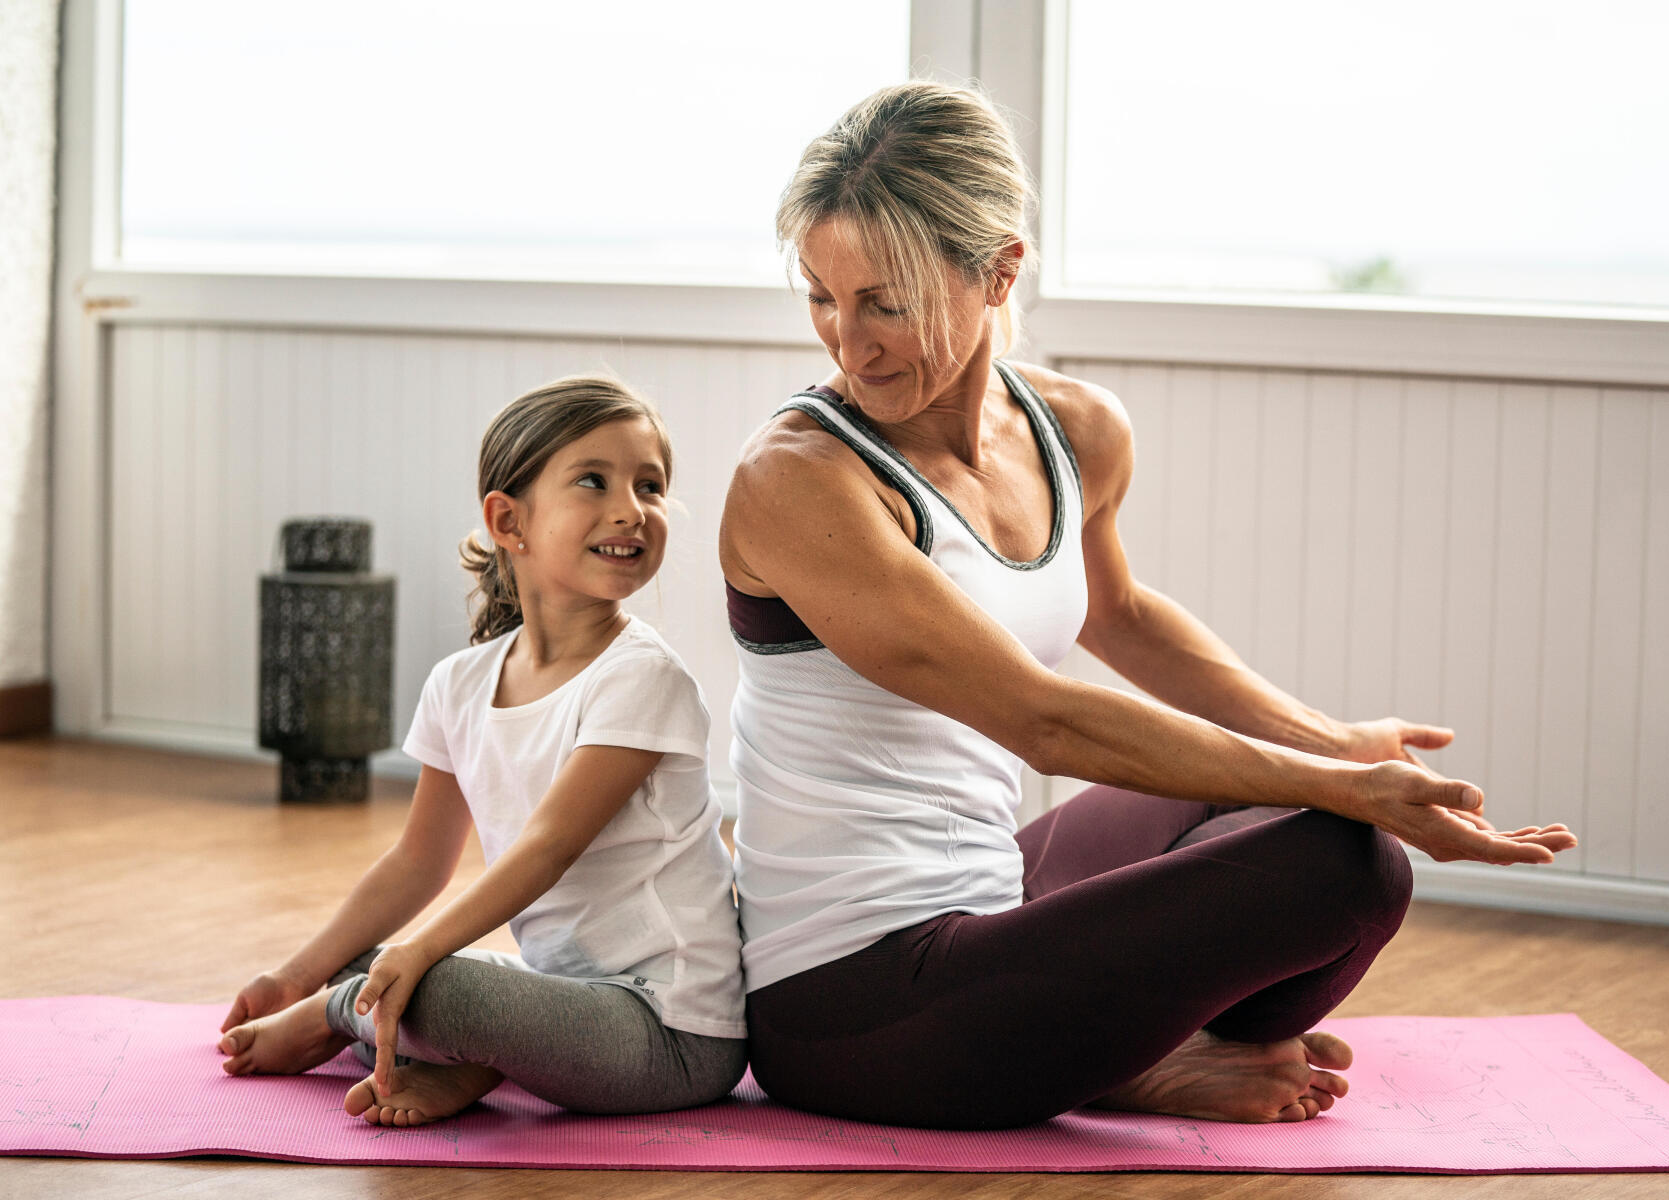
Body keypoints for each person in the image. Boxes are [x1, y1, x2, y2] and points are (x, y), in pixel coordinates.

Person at [719, 82, 1577, 1131]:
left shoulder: (1074, 429)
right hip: (850, 1003)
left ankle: (1111, 1045)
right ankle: (1135, 1058)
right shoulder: (801, 479)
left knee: (1334, 839)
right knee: (1343, 866)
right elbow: (1044, 718)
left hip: (998, 895)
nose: (848, 347)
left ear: (998, 270)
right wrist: (1351, 787)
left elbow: (1117, 614)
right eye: (821, 297)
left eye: (884, 302)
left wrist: (1342, 750)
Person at [216, 377, 747, 1126]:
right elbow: (417, 863)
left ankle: (340, 1019)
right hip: (564, 1008)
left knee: (422, 982)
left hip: (669, 1035)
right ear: (509, 520)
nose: (633, 508)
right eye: (594, 481)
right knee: (368, 960)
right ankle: (455, 1058)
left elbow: (548, 848)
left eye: (651, 486)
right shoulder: (460, 683)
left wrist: (338, 994)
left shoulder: (644, 678)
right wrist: (293, 973)